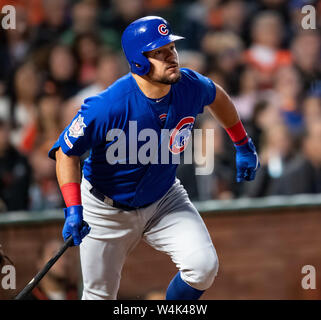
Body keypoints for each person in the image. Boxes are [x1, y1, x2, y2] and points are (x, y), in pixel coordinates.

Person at [48, 16, 260, 300]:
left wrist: (242, 144)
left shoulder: (188, 84)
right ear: (139, 61)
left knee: (203, 267)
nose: (171, 57)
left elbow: (216, 96)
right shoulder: (107, 105)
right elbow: (66, 153)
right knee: (99, 295)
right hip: (105, 208)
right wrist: (73, 208)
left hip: (163, 196)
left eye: (171, 48)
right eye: (159, 53)